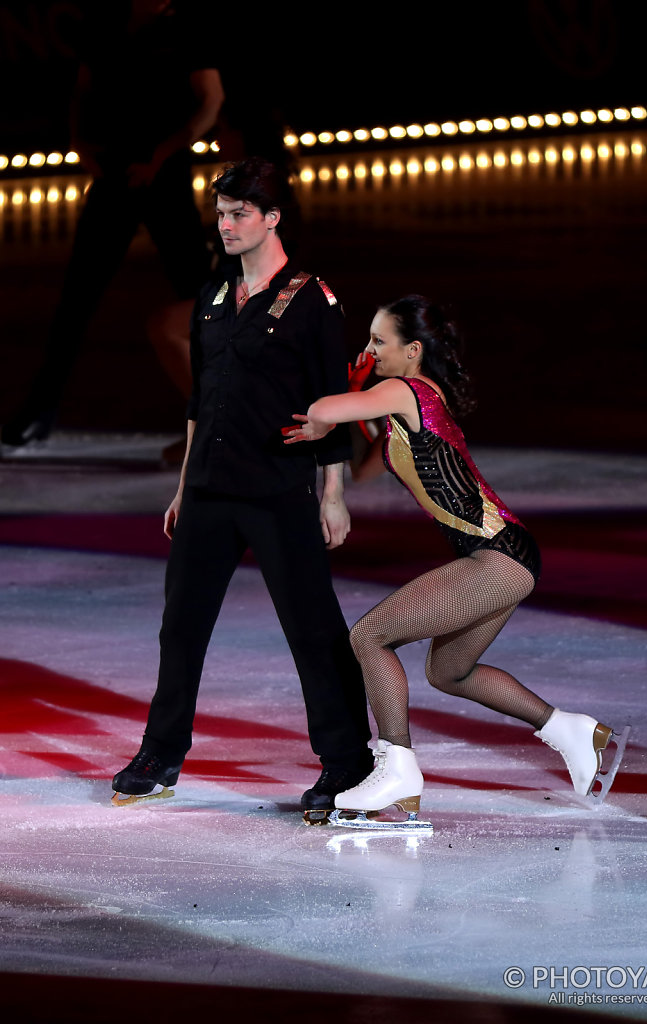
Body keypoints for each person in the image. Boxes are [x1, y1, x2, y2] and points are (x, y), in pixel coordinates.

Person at [284, 295, 628, 822]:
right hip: (508, 554)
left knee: (368, 636)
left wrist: (344, 400)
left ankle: (397, 772)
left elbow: (323, 411)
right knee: (450, 672)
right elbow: (366, 468)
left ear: (413, 350)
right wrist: (353, 410)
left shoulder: (404, 389)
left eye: (379, 341)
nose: (369, 351)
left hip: (497, 556)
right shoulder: (410, 403)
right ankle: (572, 731)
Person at [111, 157, 372, 820]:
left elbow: (333, 398)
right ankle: (160, 752)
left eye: (237, 215)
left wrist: (332, 491)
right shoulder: (214, 296)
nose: (224, 226)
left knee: (312, 629)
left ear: (272, 217)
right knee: (181, 628)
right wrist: (181, 484)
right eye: (220, 214)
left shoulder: (312, 299)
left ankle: (346, 762)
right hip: (208, 488)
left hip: (279, 487)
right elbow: (201, 400)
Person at [1, 0, 224, 448]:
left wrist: (162, 154)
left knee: (202, 305)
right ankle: (39, 414)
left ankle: (227, 413)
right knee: (75, 301)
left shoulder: (187, 27)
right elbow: (83, 90)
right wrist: (79, 141)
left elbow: (210, 101)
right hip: (114, 176)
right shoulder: (105, 23)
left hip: (164, 179)